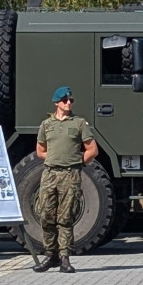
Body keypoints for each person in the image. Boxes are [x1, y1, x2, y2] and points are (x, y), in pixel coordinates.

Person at [33, 86, 99, 273]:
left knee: (66, 216)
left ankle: (64, 258)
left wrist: (77, 163)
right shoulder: (46, 125)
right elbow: (40, 151)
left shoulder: (78, 124)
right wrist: (55, 160)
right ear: (56, 103)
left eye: (70, 100)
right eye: (65, 100)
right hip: (50, 174)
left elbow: (92, 150)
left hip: (70, 174)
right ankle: (49, 255)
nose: (68, 103)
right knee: (46, 214)